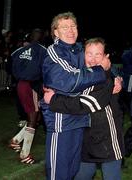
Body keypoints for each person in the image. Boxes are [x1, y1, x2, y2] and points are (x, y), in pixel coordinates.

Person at [43, 38, 124, 180]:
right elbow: (60, 79)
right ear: (82, 55)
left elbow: (88, 103)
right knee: (81, 175)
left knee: (111, 176)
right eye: (89, 54)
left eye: (98, 54)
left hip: (107, 140)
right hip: (85, 136)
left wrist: (54, 100)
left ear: (106, 57)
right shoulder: (82, 74)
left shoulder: (107, 79)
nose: (93, 59)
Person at [41, 12, 110, 180]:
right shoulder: (55, 52)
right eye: (65, 27)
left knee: (73, 170)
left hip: (80, 117)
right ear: (55, 32)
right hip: (61, 120)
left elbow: (95, 60)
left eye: (73, 26)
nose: (70, 30)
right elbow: (72, 80)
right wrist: (102, 71)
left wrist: (115, 77)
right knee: (59, 172)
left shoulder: (79, 49)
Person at [9, 28, 46, 164]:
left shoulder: (19, 50)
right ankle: (24, 154)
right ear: (42, 37)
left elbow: (10, 63)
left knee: (36, 116)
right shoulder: (43, 50)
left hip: (21, 84)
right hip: (32, 85)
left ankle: (16, 140)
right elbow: (46, 69)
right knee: (33, 117)